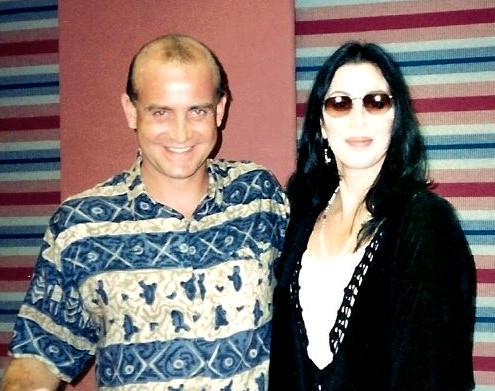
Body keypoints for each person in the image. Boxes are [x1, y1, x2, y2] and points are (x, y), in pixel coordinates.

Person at [1, 34, 289, 391]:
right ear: (130, 110)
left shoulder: (259, 196)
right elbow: (39, 357)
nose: (181, 133)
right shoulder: (81, 226)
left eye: (197, 110)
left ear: (220, 109)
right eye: (160, 112)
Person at [268, 41, 476, 391]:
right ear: (321, 123)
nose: (358, 118)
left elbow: (431, 373)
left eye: (376, 102)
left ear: (397, 119)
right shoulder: (301, 217)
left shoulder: (425, 223)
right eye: (340, 103)